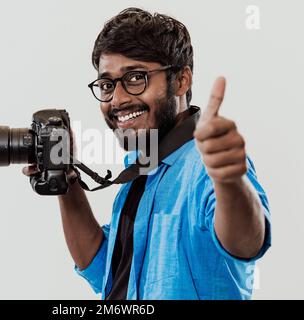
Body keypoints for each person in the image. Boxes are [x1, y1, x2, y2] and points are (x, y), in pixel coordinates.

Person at [23, 7, 271, 300]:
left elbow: (247, 242)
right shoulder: (142, 167)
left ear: (181, 80)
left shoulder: (205, 165)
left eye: (136, 78)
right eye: (107, 84)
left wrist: (231, 181)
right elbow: (107, 271)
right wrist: (66, 181)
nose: (118, 99)